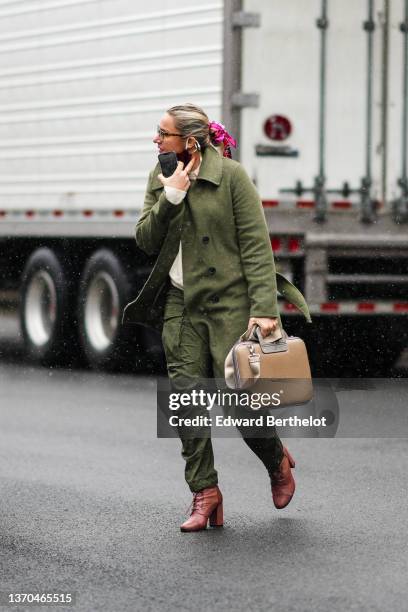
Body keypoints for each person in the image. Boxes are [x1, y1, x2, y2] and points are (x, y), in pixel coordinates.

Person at [122, 103, 310, 532]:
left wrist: (265, 309)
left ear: (190, 140)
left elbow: (257, 248)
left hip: (230, 305)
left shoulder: (232, 177)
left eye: (163, 133)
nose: (155, 139)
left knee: (238, 402)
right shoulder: (161, 176)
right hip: (179, 304)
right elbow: (145, 241)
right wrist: (171, 195)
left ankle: (276, 460)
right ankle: (205, 493)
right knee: (186, 398)